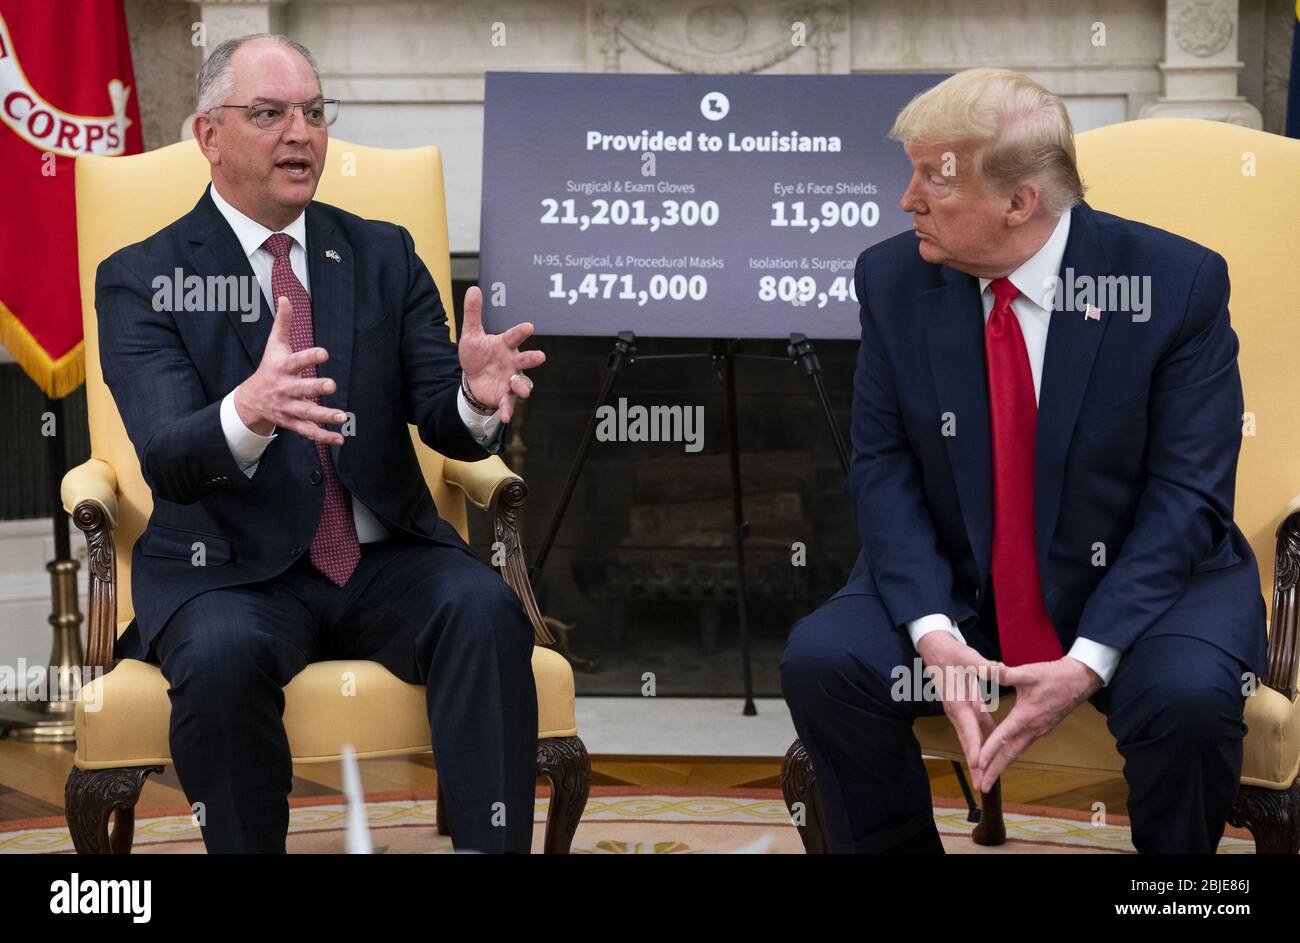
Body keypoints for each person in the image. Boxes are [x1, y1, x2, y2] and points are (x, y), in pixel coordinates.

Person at [780, 68, 1268, 854]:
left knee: (1187, 699)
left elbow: (1187, 497)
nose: (907, 200)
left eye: (932, 180)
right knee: (824, 661)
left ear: (1020, 202)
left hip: (1144, 581)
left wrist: (1088, 659)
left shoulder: (1175, 286)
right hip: (963, 579)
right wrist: (934, 631)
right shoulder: (894, 278)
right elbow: (883, 467)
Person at [96, 33, 544, 853]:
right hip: (227, 568)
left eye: (313, 111)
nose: (300, 133)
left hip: (384, 558)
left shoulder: (382, 251)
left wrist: (476, 400)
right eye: (269, 113)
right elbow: (165, 453)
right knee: (223, 657)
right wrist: (250, 411)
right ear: (209, 135)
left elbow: (438, 417)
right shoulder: (143, 273)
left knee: (484, 605)